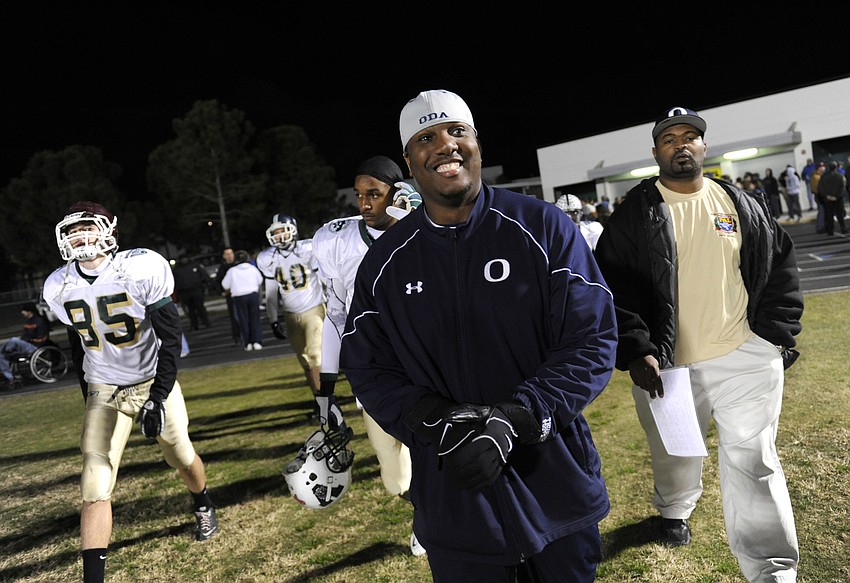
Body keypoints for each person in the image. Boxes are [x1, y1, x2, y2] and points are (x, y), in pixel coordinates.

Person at [339, 90, 617, 581]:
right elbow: (367, 365)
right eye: (426, 138)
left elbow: (591, 340)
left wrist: (516, 419)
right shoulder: (385, 262)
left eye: (456, 132)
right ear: (409, 162)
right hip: (456, 499)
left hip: (554, 487)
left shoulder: (542, 226)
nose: (445, 145)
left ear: (477, 146)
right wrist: (434, 421)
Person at [594, 107, 803, 582]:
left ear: (704, 147)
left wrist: (775, 337)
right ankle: (675, 510)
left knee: (755, 462)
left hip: (744, 357)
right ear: (656, 152)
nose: (681, 145)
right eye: (670, 139)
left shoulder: (740, 202)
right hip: (669, 367)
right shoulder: (632, 215)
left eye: (690, 136)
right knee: (676, 454)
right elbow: (613, 290)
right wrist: (637, 349)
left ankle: (772, 569)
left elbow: (779, 266)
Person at [42, 201, 218, 583]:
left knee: (181, 455)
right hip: (104, 386)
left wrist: (159, 394)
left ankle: (202, 501)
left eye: (87, 227)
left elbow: (170, 337)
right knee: (94, 482)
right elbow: (78, 345)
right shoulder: (59, 284)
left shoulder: (139, 267)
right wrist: (88, 395)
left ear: (109, 231)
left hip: (151, 377)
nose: (79, 236)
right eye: (72, 231)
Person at [312, 154, 424, 556]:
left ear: (397, 193)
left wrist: (417, 222)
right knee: (394, 474)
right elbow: (335, 316)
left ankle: (435, 520)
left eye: (373, 194)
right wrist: (325, 390)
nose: (364, 204)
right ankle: (424, 509)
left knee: (439, 450)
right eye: (359, 195)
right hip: (374, 372)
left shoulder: (425, 227)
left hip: (424, 365)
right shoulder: (337, 241)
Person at [255, 213, 326, 411]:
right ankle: (319, 401)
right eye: (275, 233)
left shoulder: (307, 249)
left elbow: (324, 278)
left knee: (315, 355)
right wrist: (273, 319)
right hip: (290, 314)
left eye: (283, 231)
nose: (280, 236)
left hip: (314, 309)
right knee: (305, 361)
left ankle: (328, 402)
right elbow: (270, 292)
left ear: (292, 230)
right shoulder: (267, 258)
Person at [220, 250, 264, 351]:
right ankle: (257, 341)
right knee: (254, 319)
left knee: (243, 320)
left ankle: (248, 343)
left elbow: (225, 285)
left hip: (239, 297)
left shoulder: (232, 271)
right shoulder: (252, 268)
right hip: (252, 295)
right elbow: (260, 280)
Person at [1, 302, 51, 389]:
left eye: (23, 311)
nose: (22, 313)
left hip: (35, 347)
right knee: (1, 355)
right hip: (26, 345)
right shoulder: (28, 322)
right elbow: (24, 337)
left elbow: (41, 338)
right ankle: (11, 378)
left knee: (14, 340)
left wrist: (27, 341)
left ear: (29, 311)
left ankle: (5, 349)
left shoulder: (39, 321)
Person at [172, 255, 211, 330]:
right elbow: (175, 281)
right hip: (185, 291)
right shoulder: (177, 269)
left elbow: (203, 275)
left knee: (200, 307)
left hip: (196, 289)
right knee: (190, 310)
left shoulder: (194, 265)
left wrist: (205, 284)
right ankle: (194, 325)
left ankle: (206, 322)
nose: (184, 260)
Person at [215, 247, 240, 344]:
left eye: (231, 253)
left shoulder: (239, 264)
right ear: (224, 256)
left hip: (242, 294)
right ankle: (237, 335)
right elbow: (218, 281)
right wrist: (222, 292)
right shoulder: (223, 267)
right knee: (234, 317)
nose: (229, 256)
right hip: (231, 296)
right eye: (227, 254)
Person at [817, 161, 848, 236]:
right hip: (838, 198)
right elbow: (843, 187)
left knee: (829, 215)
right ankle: (843, 228)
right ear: (836, 167)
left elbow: (820, 188)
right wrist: (837, 196)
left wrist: (826, 196)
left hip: (827, 199)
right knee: (840, 214)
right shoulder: (840, 176)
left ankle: (830, 230)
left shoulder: (824, 177)